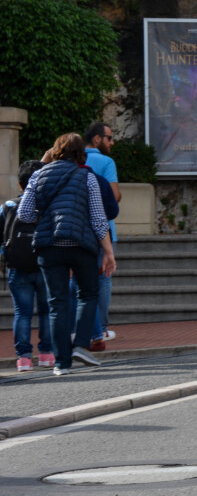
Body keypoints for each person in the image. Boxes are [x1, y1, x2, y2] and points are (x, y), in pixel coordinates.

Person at [17, 134, 116, 376]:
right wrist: (109, 252)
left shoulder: (39, 175)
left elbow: (24, 213)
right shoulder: (87, 177)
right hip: (80, 245)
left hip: (49, 247)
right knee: (88, 293)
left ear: (55, 150)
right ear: (80, 153)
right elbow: (97, 217)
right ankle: (81, 344)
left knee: (56, 304)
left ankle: (61, 363)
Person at [3, 160, 54, 371]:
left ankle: (23, 358)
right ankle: (46, 354)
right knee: (46, 310)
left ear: (20, 184)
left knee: (21, 312)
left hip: (17, 266)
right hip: (44, 264)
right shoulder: (49, 205)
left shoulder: (9, 206)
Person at [82, 123, 120, 351]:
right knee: (103, 279)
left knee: (78, 282)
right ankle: (102, 328)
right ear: (97, 139)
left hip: (77, 231)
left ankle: (83, 327)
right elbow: (114, 195)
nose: (111, 142)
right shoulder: (106, 162)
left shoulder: (70, 159)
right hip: (104, 230)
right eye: (109, 138)